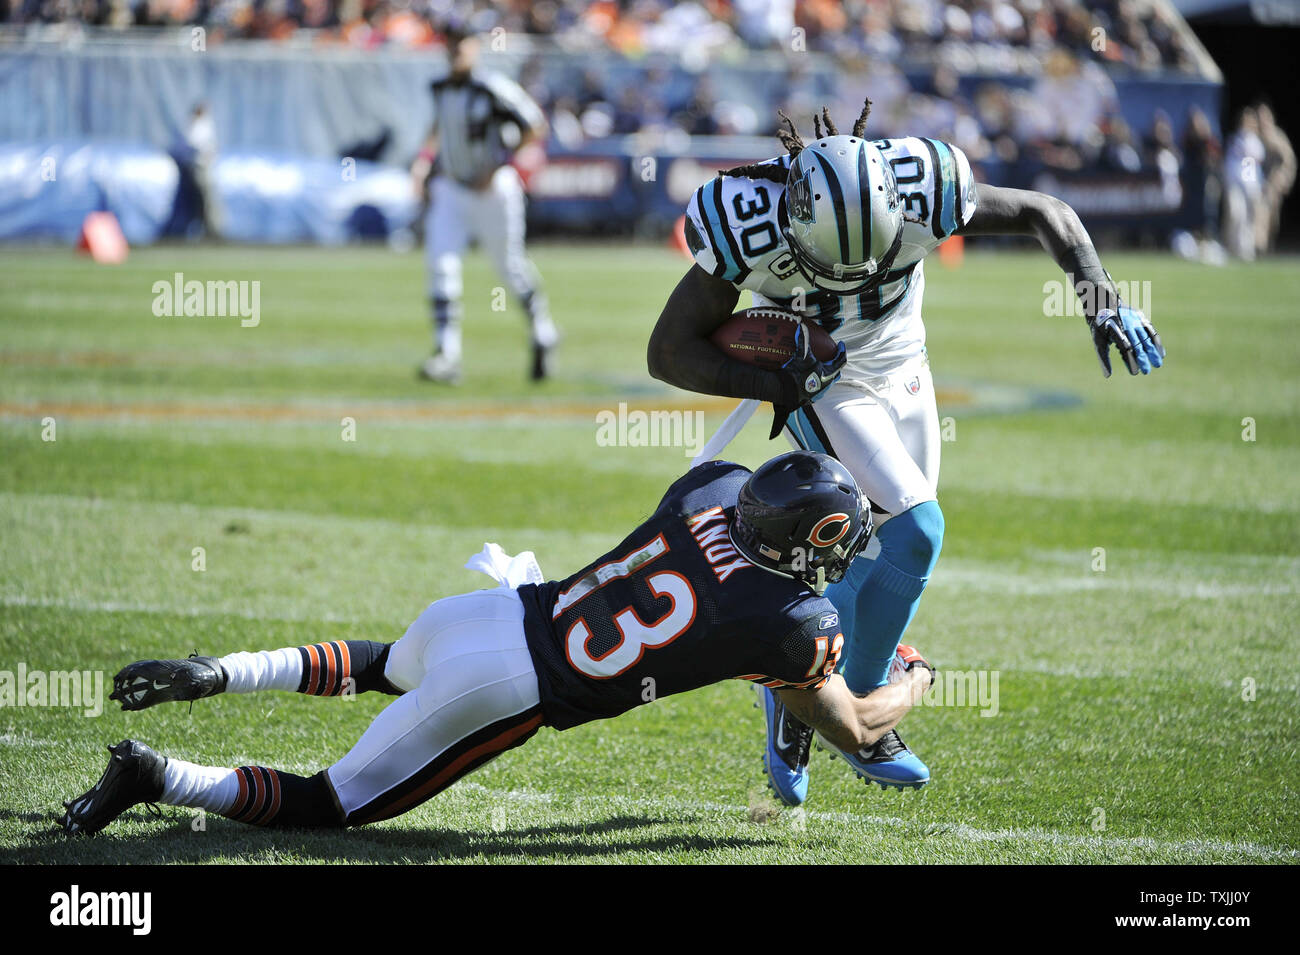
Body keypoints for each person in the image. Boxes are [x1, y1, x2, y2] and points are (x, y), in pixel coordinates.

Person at [647, 98, 1164, 806]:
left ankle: (792, 685)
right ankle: (854, 718)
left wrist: (1101, 298)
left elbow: (1048, 210)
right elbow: (668, 351)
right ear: (793, 221)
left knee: (875, 554)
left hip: (905, 363)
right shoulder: (751, 217)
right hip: (825, 378)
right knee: (918, 532)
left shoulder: (925, 181)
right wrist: (768, 379)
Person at [59, 452, 936, 836]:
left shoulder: (714, 486)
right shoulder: (791, 623)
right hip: (513, 687)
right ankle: (158, 775)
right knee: (331, 806)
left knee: (380, 664)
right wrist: (914, 678)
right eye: (829, 541)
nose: (836, 558)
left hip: (489, 613)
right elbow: (853, 729)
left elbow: (718, 518)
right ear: (796, 540)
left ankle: (217, 673)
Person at [410, 23, 558, 384]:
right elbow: (440, 126)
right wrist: (424, 161)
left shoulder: (492, 87)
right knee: (441, 264)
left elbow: (536, 125)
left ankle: (542, 331)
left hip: (493, 190)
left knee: (509, 267)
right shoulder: (442, 88)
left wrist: (500, 163)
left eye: (462, 43)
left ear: (476, 47)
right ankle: (447, 354)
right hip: (452, 187)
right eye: (450, 43)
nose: (455, 49)